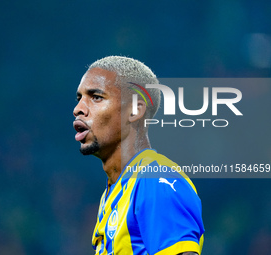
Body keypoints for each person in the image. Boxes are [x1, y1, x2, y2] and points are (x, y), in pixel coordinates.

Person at [73, 56, 204, 255]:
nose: (78, 109)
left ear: (134, 110)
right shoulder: (115, 191)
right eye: (79, 98)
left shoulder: (156, 179)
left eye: (96, 97)